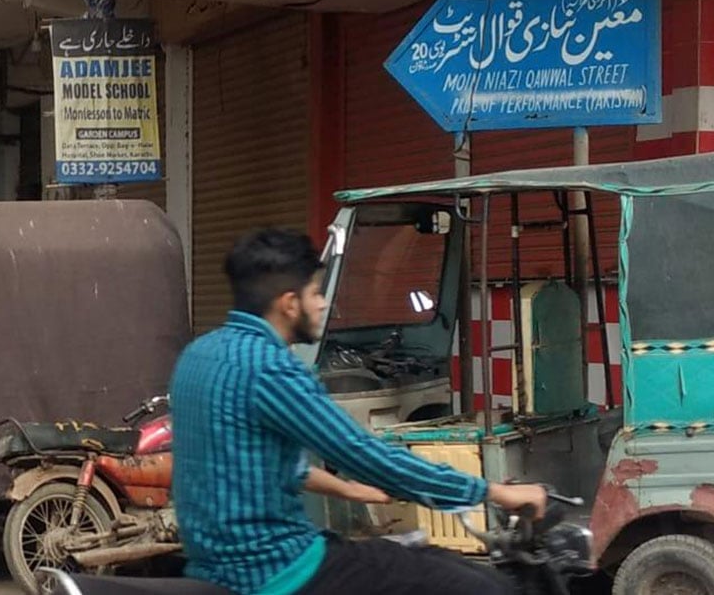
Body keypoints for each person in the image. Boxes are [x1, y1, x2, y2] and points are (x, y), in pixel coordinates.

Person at [169, 228, 547, 595]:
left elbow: (261, 462)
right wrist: (494, 492)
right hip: (277, 569)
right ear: (289, 303)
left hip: (212, 566)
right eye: (315, 293)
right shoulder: (270, 368)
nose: (323, 304)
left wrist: (349, 490)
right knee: (477, 584)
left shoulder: (199, 355)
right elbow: (366, 454)